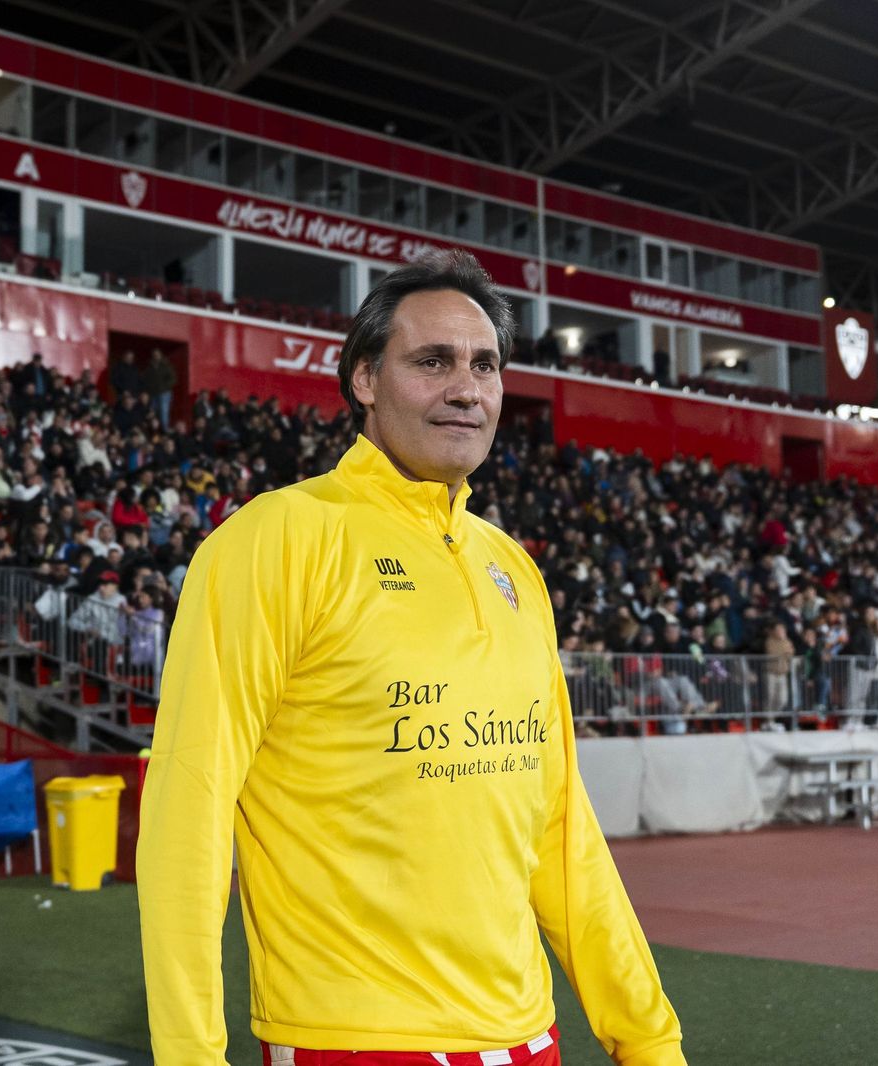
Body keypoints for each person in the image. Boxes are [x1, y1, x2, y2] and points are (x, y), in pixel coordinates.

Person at [138, 251, 684, 1065]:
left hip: (528, 1036)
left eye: (485, 365)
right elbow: (191, 811)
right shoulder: (276, 540)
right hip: (353, 1042)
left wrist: (649, 1041)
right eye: (432, 362)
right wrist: (189, 1054)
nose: (467, 388)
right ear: (364, 378)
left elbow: (562, 837)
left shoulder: (514, 569)